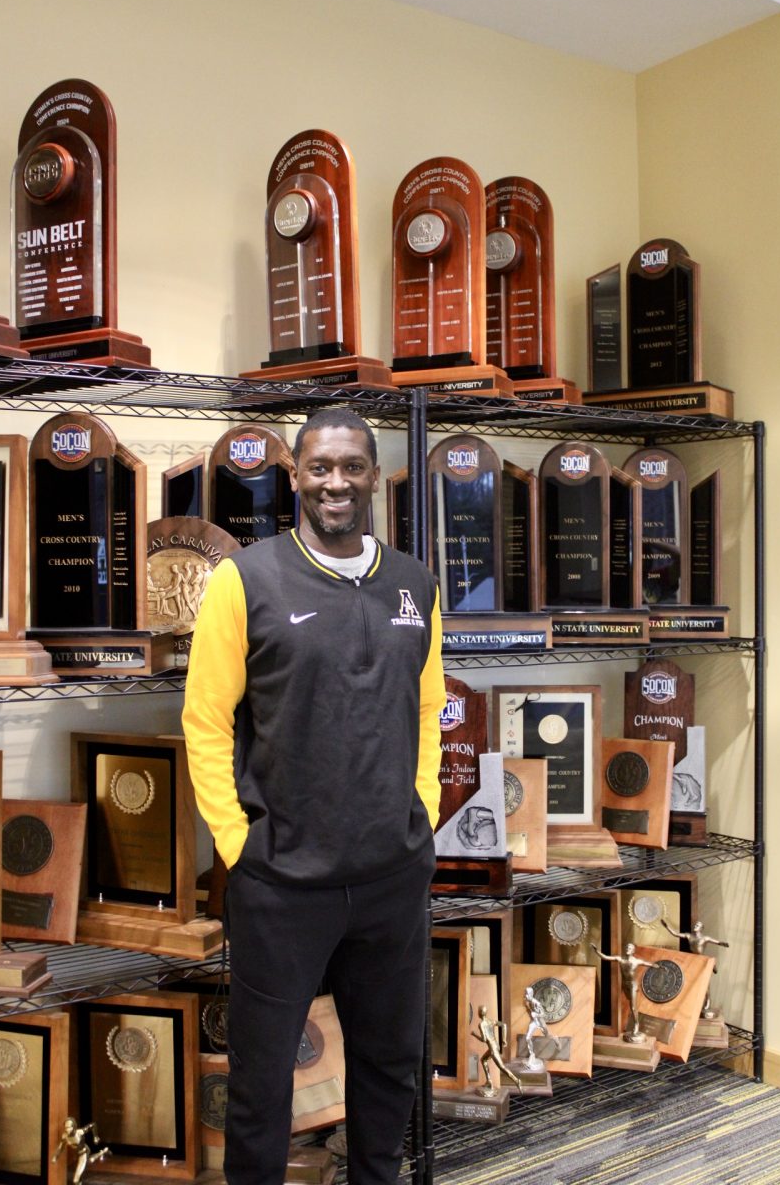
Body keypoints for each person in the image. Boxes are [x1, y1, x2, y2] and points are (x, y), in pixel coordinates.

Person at [182, 407, 445, 1185]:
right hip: (280, 884)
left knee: (390, 1062)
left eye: (353, 467)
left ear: (374, 477)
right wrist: (239, 845)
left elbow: (428, 710)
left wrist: (420, 811)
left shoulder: (414, 584)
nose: (337, 482)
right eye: (320, 467)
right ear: (295, 476)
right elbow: (203, 721)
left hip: (392, 876)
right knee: (262, 1084)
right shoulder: (245, 579)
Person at [662, 917, 729, 1018]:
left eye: (697, 925)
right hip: (693, 960)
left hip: (702, 960)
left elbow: (717, 942)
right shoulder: (689, 936)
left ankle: (707, 1005)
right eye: (695, 925)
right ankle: (690, 1004)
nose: (695, 926)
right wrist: (667, 926)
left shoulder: (705, 938)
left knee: (705, 984)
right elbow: (675, 934)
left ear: (701, 928)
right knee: (689, 982)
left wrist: (723, 943)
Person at [591, 942, 653, 1042]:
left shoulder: (637, 961)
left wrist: (660, 967)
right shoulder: (620, 959)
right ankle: (632, 1023)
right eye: (627, 946)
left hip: (633, 985)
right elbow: (606, 957)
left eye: (630, 947)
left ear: (633, 951)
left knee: (633, 1007)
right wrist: (596, 950)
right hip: (625, 985)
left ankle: (636, 1025)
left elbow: (649, 964)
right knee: (629, 1005)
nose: (627, 948)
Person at [471, 1004, 523, 1094]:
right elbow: (504, 1025)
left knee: (502, 1067)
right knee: (483, 1060)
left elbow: (484, 1039)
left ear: (479, 1014)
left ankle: (516, 1080)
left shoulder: (482, 1024)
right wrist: (504, 1039)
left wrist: (474, 1034)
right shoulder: (491, 1021)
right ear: (485, 1013)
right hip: (496, 1045)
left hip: (492, 1048)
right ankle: (489, 1081)